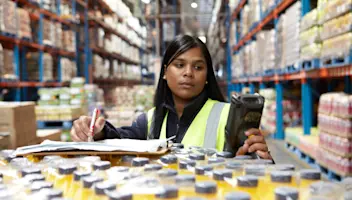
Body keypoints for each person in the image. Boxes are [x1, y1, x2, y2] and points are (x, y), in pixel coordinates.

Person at [71, 35, 272, 159]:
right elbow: (119, 139)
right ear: (165, 72)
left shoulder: (229, 116)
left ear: (207, 77)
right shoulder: (150, 120)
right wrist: (96, 131)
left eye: (198, 67)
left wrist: (261, 157)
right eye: (179, 65)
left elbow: (254, 173)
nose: (188, 73)